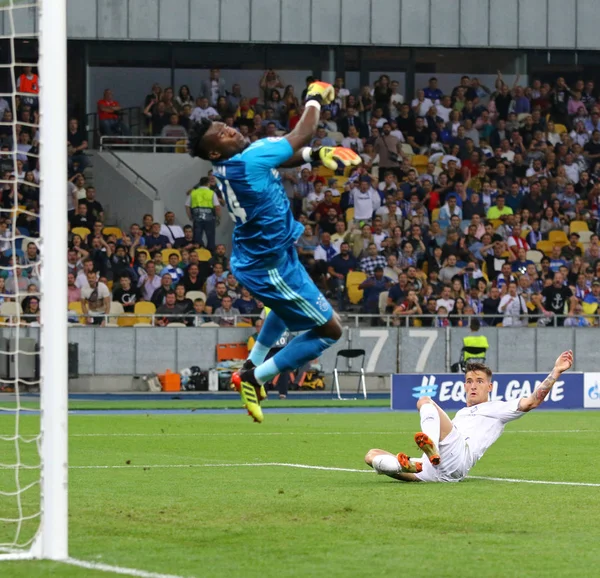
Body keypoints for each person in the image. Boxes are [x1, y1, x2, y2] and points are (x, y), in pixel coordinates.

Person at [188, 80, 361, 423]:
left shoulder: (233, 163)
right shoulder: (249, 159)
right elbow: (302, 133)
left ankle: (252, 363)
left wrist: (316, 156)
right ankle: (256, 377)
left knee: (281, 310)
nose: (232, 132)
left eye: (227, 126)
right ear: (213, 152)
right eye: (222, 134)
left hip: (266, 253)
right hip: (269, 264)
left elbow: (288, 155)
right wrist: (314, 97)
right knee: (331, 331)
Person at [364, 351, 574, 482]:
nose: (474, 385)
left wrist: (556, 372)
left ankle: (430, 448)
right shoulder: (463, 413)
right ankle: (413, 465)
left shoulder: (498, 409)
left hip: (459, 457)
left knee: (425, 401)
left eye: (480, 381)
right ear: (464, 385)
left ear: (489, 386)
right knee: (371, 455)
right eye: (470, 381)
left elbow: (532, 401)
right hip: (439, 471)